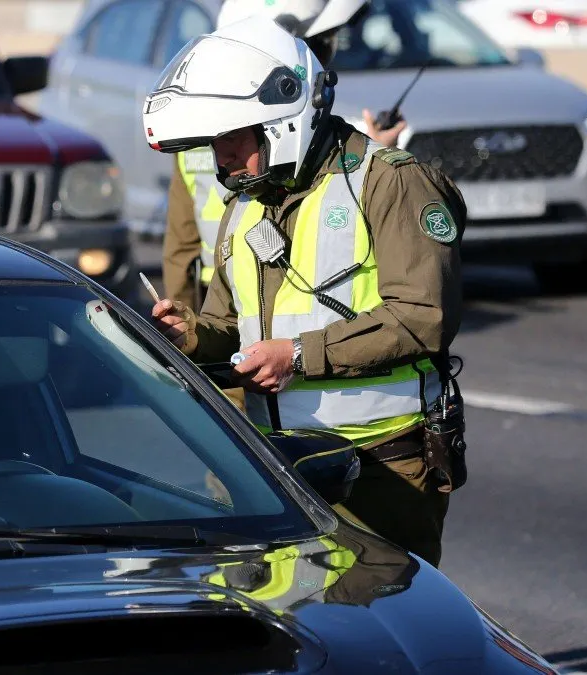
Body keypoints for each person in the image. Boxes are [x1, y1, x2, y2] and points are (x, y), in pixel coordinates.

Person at [144, 17, 466, 568]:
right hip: (277, 467)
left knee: (381, 630)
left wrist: (296, 355)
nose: (217, 156)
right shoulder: (244, 202)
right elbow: (229, 323)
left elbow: (423, 315)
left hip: (381, 466)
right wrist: (191, 334)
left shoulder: (387, 181)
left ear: (281, 124)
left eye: (230, 138)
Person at [162, 0, 407, 318]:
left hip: (230, 299)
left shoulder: (196, 132)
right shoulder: (294, 141)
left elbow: (179, 249)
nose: (223, 155)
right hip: (236, 300)